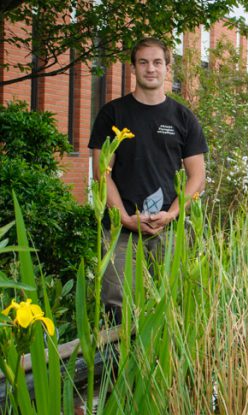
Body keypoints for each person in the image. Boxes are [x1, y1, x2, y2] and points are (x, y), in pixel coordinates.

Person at [89, 37, 208, 323]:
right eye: (143, 62)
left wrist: (172, 214)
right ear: (133, 68)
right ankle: (116, 368)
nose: (150, 69)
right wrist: (123, 217)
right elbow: (100, 172)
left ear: (168, 68)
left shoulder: (183, 118)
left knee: (165, 305)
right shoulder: (112, 114)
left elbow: (198, 176)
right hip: (119, 231)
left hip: (166, 231)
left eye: (157, 62)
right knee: (114, 307)